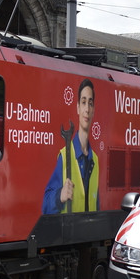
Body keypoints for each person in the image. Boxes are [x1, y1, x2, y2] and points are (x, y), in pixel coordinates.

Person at [42, 78, 100, 213]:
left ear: (93, 110)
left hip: (88, 233)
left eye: (90, 104)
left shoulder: (95, 161)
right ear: (78, 107)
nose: (87, 109)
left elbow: (96, 207)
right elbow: (45, 205)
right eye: (83, 102)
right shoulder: (64, 156)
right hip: (69, 233)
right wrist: (59, 196)